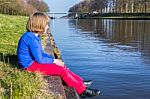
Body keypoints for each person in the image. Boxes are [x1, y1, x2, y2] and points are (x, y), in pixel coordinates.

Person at [17, 12, 100, 98]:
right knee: (61, 70)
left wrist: (54, 60)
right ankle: (82, 91)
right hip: (29, 66)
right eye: (46, 25)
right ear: (39, 25)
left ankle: (81, 82)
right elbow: (39, 59)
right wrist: (53, 61)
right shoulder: (31, 38)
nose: (48, 27)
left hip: (33, 62)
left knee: (62, 66)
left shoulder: (34, 36)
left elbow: (40, 53)